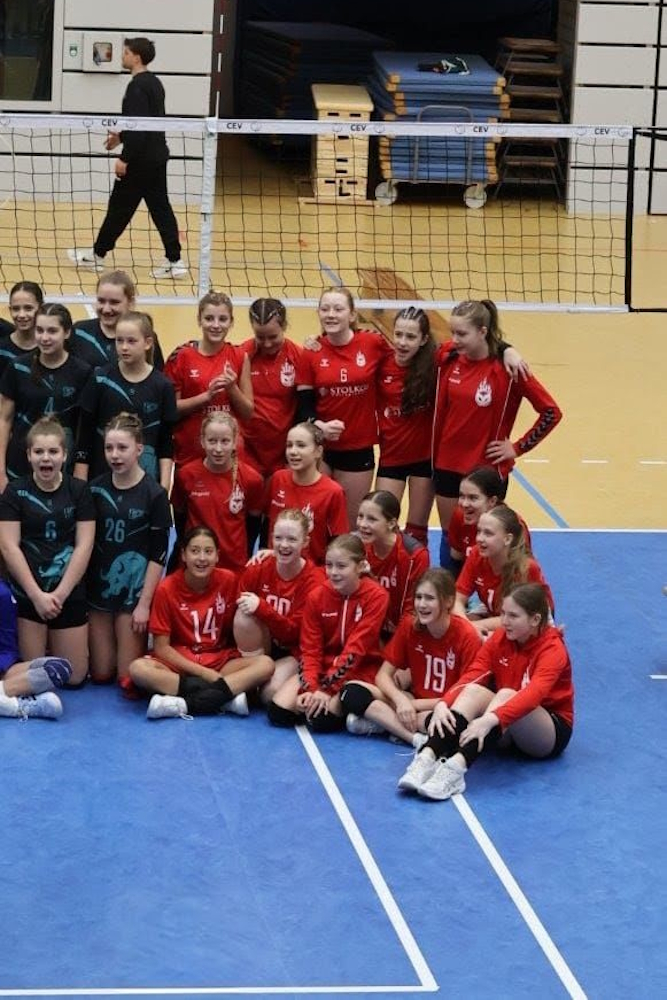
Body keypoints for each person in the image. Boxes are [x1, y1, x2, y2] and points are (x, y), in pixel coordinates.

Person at [397, 583, 574, 800]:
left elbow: (533, 695)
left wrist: (491, 718)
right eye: (503, 613)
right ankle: (427, 756)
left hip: (545, 733)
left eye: (513, 616)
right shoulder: (500, 638)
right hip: (503, 725)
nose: (504, 621)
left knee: (507, 694)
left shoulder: (553, 649)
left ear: (535, 620)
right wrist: (444, 702)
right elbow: (474, 673)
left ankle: (456, 769)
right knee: (473, 690)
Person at [433, 298, 561, 552]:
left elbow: (551, 412)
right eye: (453, 332)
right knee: (452, 540)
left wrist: (517, 447)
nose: (455, 340)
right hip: (446, 465)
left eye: (462, 334)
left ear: (482, 331)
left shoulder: (509, 369)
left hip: (487, 470)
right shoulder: (448, 357)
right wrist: (506, 347)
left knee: (486, 540)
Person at [67, 37, 187, 280]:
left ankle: (97, 255)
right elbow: (145, 124)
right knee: (159, 209)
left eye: (126, 53)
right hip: (156, 157)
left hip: (140, 161)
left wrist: (125, 157)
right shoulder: (154, 83)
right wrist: (121, 137)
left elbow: (139, 127)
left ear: (137, 57)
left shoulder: (137, 87)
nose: (122, 56)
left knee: (120, 208)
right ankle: (175, 261)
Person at [129, 526, 274, 720]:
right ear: (183, 555)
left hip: (219, 661)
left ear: (217, 556)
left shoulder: (229, 581)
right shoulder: (166, 588)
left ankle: (184, 704)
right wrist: (206, 674)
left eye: (208, 551)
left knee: (266, 664)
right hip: (181, 664)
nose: (202, 558)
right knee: (138, 669)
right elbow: (162, 648)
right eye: (195, 551)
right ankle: (224, 698)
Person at [0, 416, 95, 686]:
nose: (46, 458)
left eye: (53, 451)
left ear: (64, 455)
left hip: (67, 591)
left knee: (74, 677)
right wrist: (36, 595)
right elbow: (9, 546)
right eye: (39, 451)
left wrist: (61, 594)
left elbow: (84, 545)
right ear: (28, 455)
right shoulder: (15, 492)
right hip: (29, 592)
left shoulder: (79, 490)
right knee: (34, 673)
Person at [341, 568, 481, 744]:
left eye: (429, 598)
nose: (421, 604)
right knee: (351, 691)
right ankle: (413, 738)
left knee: (445, 726)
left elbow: (465, 695)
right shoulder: (410, 625)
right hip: (412, 699)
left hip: (443, 707)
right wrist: (400, 700)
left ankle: (385, 723)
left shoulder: (467, 635)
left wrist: (412, 706)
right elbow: (382, 676)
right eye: (418, 597)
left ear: (448, 601)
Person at [267, 533, 389, 731]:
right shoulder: (317, 596)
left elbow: (356, 648)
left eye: (341, 566)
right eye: (329, 565)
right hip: (323, 666)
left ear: (360, 566)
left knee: (321, 719)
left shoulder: (377, 596)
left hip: (361, 668)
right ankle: (351, 710)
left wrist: (327, 690)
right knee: (279, 713)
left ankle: (362, 709)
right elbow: (310, 648)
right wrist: (310, 688)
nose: (333, 572)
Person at [87, 412, 172, 693]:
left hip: (133, 593)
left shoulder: (155, 494)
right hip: (100, 589)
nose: (115, 455)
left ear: (139, 449)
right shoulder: (95, 489)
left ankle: (159, 661)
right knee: (101, 674)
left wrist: (144, 604)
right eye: (109, 448)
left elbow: (159, 554)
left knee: (127, 679)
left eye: (122, 447)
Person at [296, 287, 394, 525]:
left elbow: (403, 361)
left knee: (349, 526)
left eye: (338, 309)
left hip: (357, 448)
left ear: (352, 315)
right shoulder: (310, 352)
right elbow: (303, 406)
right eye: (325, 309)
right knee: (313, 523)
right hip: (320, 448)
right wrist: (319, 426)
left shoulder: (372, 343)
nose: (331, 314)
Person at [74, 311, 177, 489]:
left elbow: (166, 442)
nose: (124, 347)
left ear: (148, 343)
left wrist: (165, 485)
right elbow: (85, 435)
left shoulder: (163, 386)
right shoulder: (100, 379)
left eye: (131, 341)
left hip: (146, 480)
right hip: (102, 477)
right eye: (119, 340)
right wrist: (80, 483)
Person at [234, 508, 325, 703]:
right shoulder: (258, 567)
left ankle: (250, 686)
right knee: (243, 615)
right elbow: (236, 605)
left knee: (270, 694)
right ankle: (251, 678)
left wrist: (262, 608)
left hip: (294, 649)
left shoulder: (315, 581)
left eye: (292, 539)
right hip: (262, 644)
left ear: (305, 542)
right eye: (278, 538)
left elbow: (296, 633)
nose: (283, 545)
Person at [0, 303, 91, 491]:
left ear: (67, 333)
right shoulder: (18, 367)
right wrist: (0, 470)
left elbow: (84, 427)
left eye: (52, 331)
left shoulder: (82, 372)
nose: (44, 337)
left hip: (62, 469)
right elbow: (4, 420)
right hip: (19, 467)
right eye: (39, 330)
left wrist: (80, 471)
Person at [164, 292, 253, 474]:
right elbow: (170, 409)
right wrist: (207, 397)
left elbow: (247, 412)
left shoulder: (239, 356)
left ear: (231, 322)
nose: (216, 325)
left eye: (223, 319)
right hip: (190, 452)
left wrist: (232, 388)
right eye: (209, 318)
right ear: (199, 320)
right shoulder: (182, 356)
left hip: (227, 456)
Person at [170, 411, 264, 572]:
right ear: (202, 441)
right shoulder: (186, 475)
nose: (218, 449)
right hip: (197, 564)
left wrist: (245, 552)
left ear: (235, 441)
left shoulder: (252, 479)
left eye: (225, 441)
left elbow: (253, 524)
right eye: (212, 441)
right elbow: (180, 516)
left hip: (233, 564)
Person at [375, 306, 437, 545]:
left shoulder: (435, 366)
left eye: (410, 337)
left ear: (424, 339)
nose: (402, 342)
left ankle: (417, 568)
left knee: (416, 532)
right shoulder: (382, 362)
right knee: (381, 525)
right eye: (398, 334)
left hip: (424, 459)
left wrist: (507, 350)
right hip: (392, 456)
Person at [454, 505, 553, 637]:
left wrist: (473, 627)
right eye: (479, 531)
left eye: (488, 533)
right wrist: (466, 625)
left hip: (528, 623)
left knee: (474, 636)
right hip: (494, 611)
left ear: (507, 539)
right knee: (452, 627)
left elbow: (516, 619)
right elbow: (457, 600)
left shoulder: (526, 568)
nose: (479, 538)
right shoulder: (476, 554)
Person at [239, 298, 307, 479]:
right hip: (248, 451)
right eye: (260, 337)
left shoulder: (298, 357)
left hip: (284, 452)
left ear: (284, 326)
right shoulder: (242, 355)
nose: (267, 343)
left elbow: (306, 406)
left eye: (273, 337)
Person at [264, 422, 348, 565]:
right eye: (289, 445)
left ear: (318, 451)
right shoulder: (278, 479)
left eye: (301, 445)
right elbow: (266, 523)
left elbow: (338, 541)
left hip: (312, 571)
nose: (293, 451)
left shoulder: (333, 492)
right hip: (275, 567)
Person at [0, 564, 73, 719]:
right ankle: (15, 707)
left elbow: (7, 649)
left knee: (59, 668)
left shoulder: (2, 594)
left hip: (2, 669)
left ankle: (5, 700)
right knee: (51, 702)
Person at [356, 490, 429, 636]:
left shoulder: (415, 556)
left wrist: (395, 643)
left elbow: (412, 609)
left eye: (371, 519)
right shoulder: (356, 548)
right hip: (367, 625)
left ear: (391, 523)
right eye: (360, 516)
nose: (362, 524)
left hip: (403, 631)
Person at [69, 270, 165, 370]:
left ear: (131, 302)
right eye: (101, 301)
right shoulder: (79, 332)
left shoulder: (144, 336)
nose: (106, 309)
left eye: (114, 302)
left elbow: (156, 375)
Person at [446, 465, 531, 575]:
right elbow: (455, 562)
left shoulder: (514, 525)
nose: (464, 504)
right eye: (462, 496)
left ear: (492, 501)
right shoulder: (460, 516)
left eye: (473, 498)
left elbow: (523, 570)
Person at [0, 281, 44, 378]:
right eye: (16, 309)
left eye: (28, 308)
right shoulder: (2, 349)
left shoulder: (50, 347)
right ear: (10, 309)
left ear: (41, 309)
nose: (21, 315)